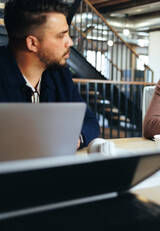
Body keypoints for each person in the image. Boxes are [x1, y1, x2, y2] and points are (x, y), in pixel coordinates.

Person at [0, 0, 100, 148]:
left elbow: (90, 122)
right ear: (32, 43)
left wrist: (74, 139)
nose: (70, 42)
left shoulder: (59, 74)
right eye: (61, 36)